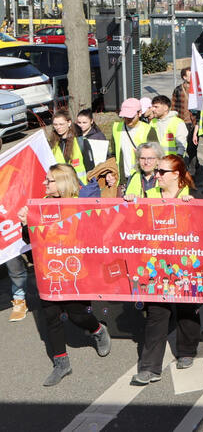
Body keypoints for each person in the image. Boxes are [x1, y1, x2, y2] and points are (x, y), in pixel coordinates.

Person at [18, 164, 112, 386]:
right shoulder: (40, 206)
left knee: (77, 315)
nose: (44, 183)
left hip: (76, 271)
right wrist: (25, 224)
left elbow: (94, 238)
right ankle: (61, 363)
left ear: (61, 183)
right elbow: (29, 240)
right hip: (48, 272)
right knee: (50, 317)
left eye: (49, 180)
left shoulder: (80, 206)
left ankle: (97, 330)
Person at [130, 154, 200, 385]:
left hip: (186, 265)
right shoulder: (148, 195)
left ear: (176, 175)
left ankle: (187, 351)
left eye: (161, 172)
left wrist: (196, 209)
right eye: (157, 171)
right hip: (156, 265)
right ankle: (150, 367)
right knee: (156, 313)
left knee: (187, 310)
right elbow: (132, 223)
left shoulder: (192, 196)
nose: (156, 175)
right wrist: (130, 204)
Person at [109, 98, 159, 183]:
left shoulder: (148, 130)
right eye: (125, 116)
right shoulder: (116, 128)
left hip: (141, 178)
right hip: (122, 179)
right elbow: (113, 154)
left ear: (139, 113)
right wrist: (110, 172)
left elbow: (156, 155)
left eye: (131, 117)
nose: (128, 119)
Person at [49, 110, 91, 184]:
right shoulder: (52, 144)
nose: (58, 127)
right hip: (61, 188)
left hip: (80, 189)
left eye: (61, 124)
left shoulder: (81, 142)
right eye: (55, 124)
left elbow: (90, 168)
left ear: (69, 123)